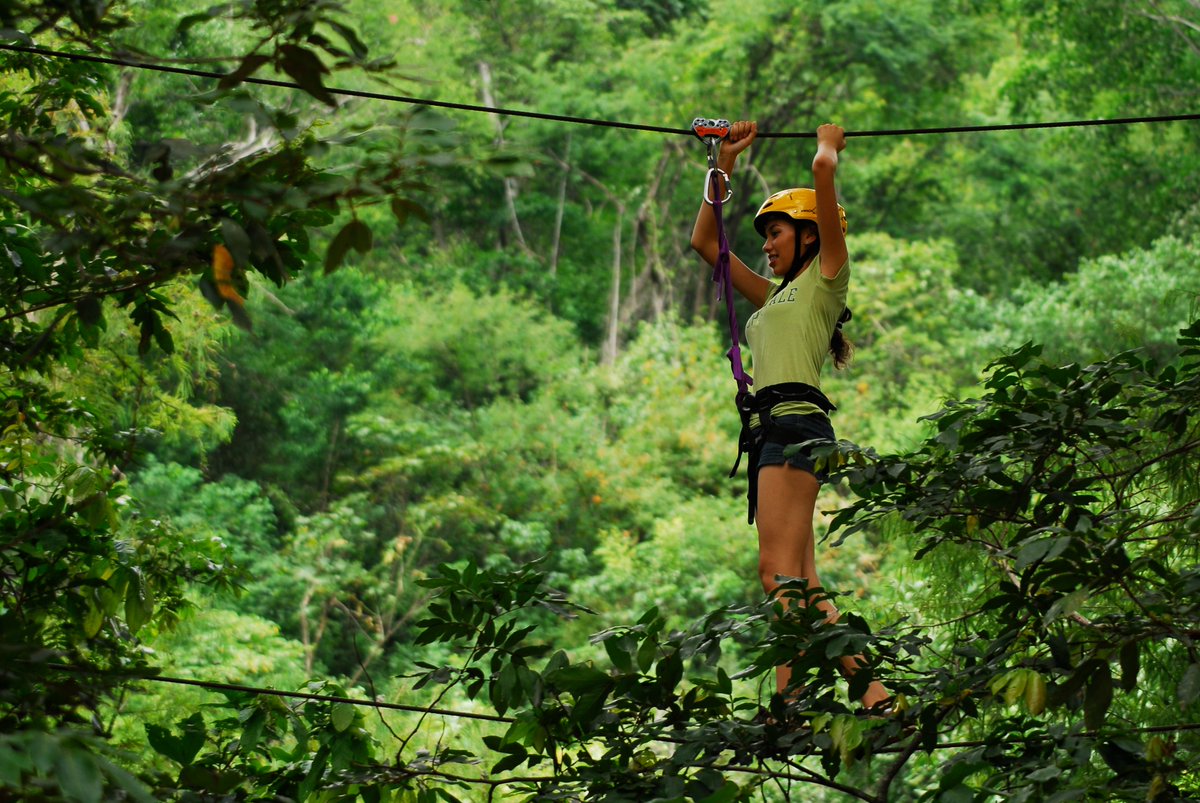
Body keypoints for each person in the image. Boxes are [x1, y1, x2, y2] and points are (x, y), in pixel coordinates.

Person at [689, 120, 889, 711]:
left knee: (778, 577)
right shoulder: (776, 298)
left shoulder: (826, 281)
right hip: (777, 433)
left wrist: (828, 142)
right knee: (800, 583)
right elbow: (706, 246)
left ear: (807, 236)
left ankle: (795, 699)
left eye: (776, 233)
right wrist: (720, 166)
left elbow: (823, 172)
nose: (767, 245)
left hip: (795, 430)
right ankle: (866, 699)